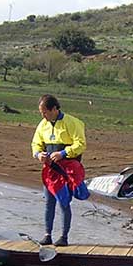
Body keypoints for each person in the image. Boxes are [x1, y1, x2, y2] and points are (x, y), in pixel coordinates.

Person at [31, 94, 88, 247]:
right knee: (49, 203)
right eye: (41, 112)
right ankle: (47, 234)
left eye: (45, 112)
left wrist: (63, 153)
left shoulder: (72, 123)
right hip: (50, 170)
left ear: (55, 109)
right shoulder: (43, 124)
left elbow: (80, 145)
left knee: (63, 202)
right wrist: (38, 154)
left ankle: (64, 236)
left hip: (67, 170)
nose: (43, 115)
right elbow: (36, 143)